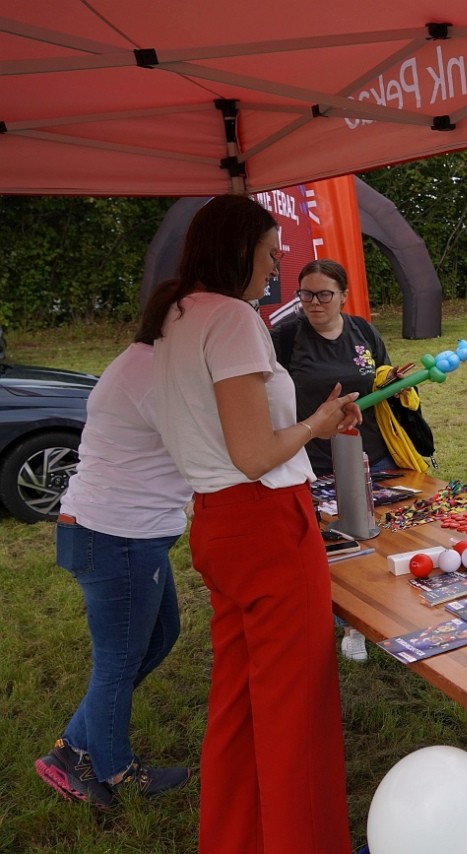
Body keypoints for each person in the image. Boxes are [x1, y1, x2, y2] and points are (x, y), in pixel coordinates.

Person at [141, 194, 360, 854]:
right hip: (265, 524)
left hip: (218, 522)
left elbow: (225, 431)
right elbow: (255, 452)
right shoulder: (233, 318)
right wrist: (317, 425)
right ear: (238, 249)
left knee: (238, 705)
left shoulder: (176, 315)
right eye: (270, 252)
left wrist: (310, 421)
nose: (276, 265)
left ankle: (235, 839)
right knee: (296, 714)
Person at [34, 336, 194, 810]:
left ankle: (71, 748)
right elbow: (211, 448)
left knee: (161, 635)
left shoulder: (152, 363)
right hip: (116, 537)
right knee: (118, 662)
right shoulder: (152, 372)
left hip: (124, 534)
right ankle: (113, 770)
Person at [271, 259, 393, 663]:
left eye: (324, 294)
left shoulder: (363, 332)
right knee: (330, 547)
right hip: (312, 460)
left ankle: (371, 615)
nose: (314, 302)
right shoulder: (286, 337)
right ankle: (343, 624)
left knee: (372, 537)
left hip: (368, 455)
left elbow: (380, 378)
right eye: (306, 294)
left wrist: (395, 384)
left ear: (343, 295)